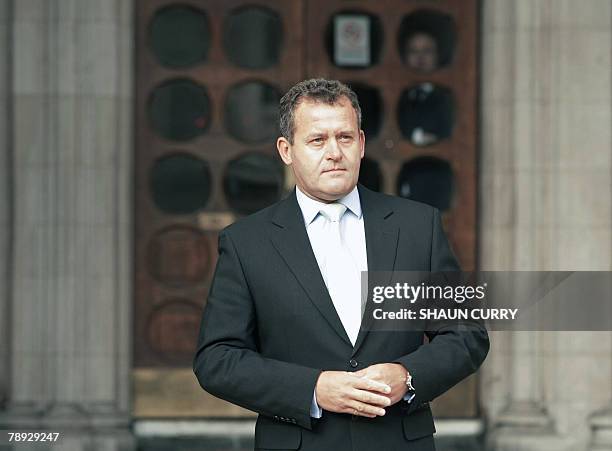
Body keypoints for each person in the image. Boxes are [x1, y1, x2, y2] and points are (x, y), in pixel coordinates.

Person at [193, 79, 489, 451]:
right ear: (286, 150)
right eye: (317, 140)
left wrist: (408, 376)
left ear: (362, 144)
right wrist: (314, 389)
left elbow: (466, 335)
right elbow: (217, 359)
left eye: (345, 138)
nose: (334, 152)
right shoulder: (246, 243)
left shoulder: (417, 226)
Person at [400, 31, 453, 146]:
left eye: (427, 51)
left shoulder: (447, 98)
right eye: (413, 51)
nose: (420, 57)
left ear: (437, 56)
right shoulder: (399, 96)